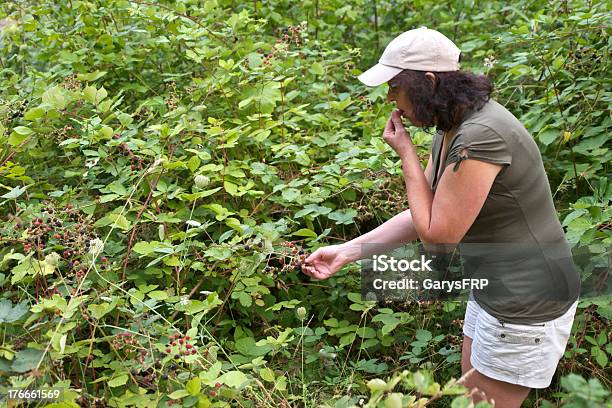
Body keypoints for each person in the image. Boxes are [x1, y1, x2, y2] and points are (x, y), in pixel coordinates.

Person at [301, 27, 580, 407]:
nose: (390, 99)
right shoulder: (452, 125)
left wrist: (406, 157)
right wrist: (347, 252)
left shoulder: (480, 135)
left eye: (395, 87)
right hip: (496, 287)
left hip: (527, 301)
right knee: (469, 397)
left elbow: (438, 239)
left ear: (429, 82)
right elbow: (424, 214)